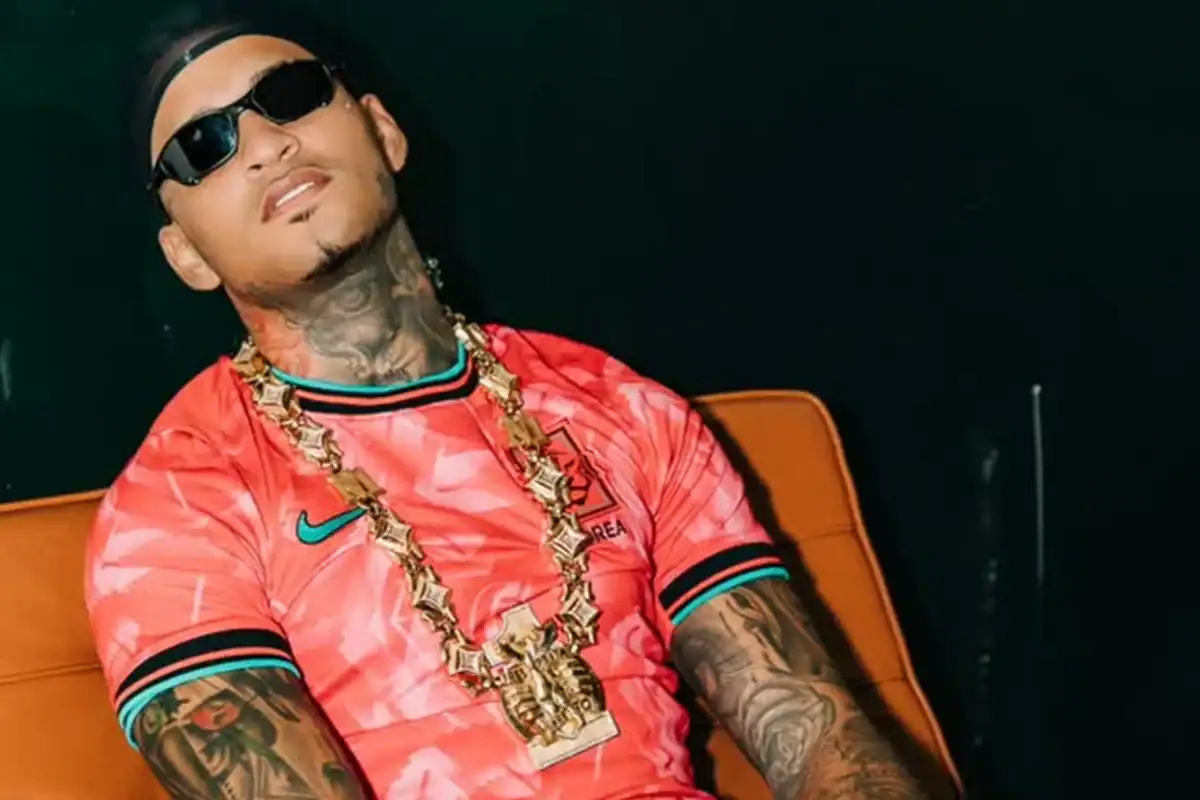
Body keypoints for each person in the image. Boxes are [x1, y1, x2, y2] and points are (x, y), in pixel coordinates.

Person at [85, 4, 940, 798]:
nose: (266, 143)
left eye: (290, 94)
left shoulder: (621, 408)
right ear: (185, 254)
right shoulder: (179, 502)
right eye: (203, 146)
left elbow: (817, 733)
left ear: (383, 130)